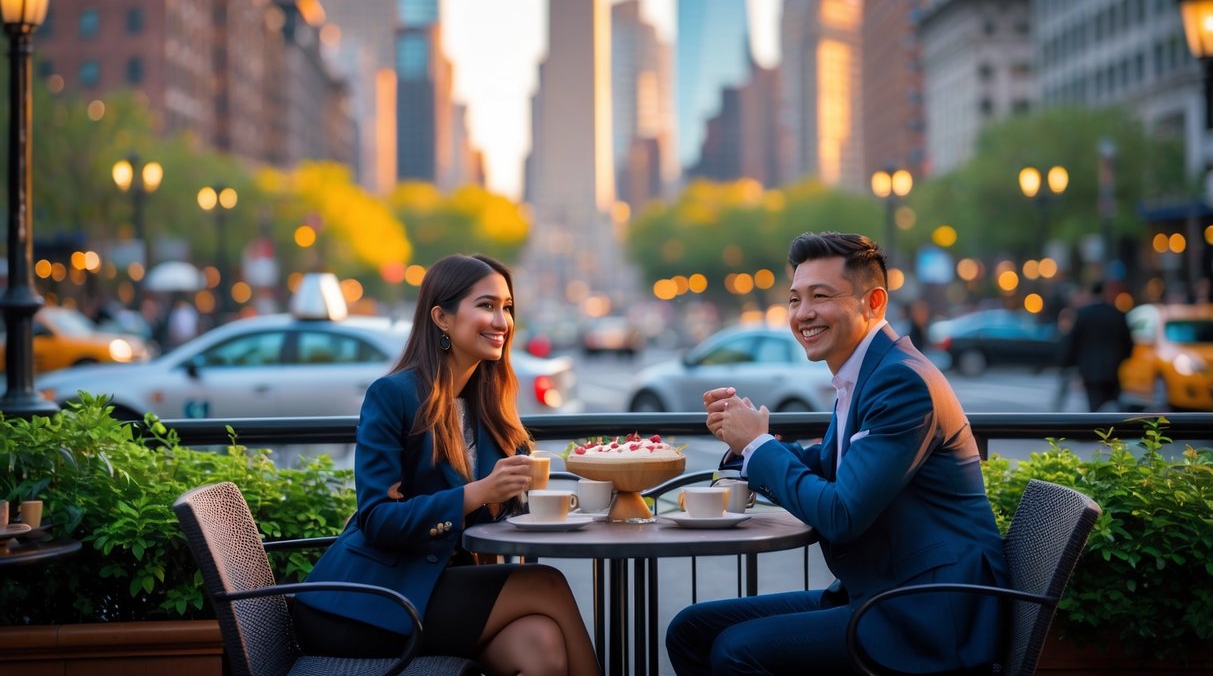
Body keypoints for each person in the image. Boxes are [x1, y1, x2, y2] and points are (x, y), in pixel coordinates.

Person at [667, 232, 1007, 675]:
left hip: (928, 613)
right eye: (794, 300)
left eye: (820, 296)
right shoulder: (867, 372)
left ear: (874, 302)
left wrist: (758, 444)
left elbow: (842, 514)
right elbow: (830, 466)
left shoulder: (901, 382)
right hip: (885, 593)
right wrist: (744, 447)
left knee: (736, 649)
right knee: (691, 629)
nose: (803, 314)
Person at [294, 254, 600, 676]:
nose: (501, 321)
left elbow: (500, 515)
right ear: (441, 317)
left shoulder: (486, 406)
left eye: (507, 307)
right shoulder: (393, 394)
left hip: (439, 589)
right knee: (546, 583)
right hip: (369, 604)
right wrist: (479, 492)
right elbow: (378, 519)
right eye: (487, 305)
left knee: (541, 646)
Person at [1059, 280, 1134, 412]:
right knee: (1113, 405)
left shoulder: (1083, 314)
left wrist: (1067, 363)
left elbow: (1073, 341)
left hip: (1090, 369)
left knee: (1094, 406)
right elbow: (1128, 342)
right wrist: (1123, 358)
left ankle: (1098, 430)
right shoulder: (1117, 314)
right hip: (1113, 368)